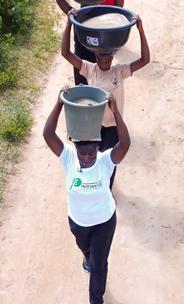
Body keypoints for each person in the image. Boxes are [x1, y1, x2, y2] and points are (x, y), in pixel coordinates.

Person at [43, 89, 130, 304]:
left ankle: (96, 300)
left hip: (104, 222)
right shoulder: (69, 159)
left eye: (91, 153)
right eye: (83, 154)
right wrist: (59, 104)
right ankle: (87, 254)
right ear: (76, 150)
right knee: (87, 251)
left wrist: (115, 111)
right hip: (78, 223)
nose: (88, 158)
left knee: (99, 265)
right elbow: (48, 135)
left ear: (98, 148)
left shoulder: (105, 161)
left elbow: (125, 144)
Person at [60, 13, 149, 189]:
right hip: (93, 125)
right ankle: (91, 185)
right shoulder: (89, 69)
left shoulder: (119, 71)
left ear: (113, 57)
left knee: (111, 160)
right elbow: (65, 53)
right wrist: (69, 23)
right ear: (96, 57)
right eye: (102, 59)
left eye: (108, 59)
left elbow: (145, 60)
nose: (105, 63)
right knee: (91, 158)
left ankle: (107, 189)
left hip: (114, 126)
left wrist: (141, 30)